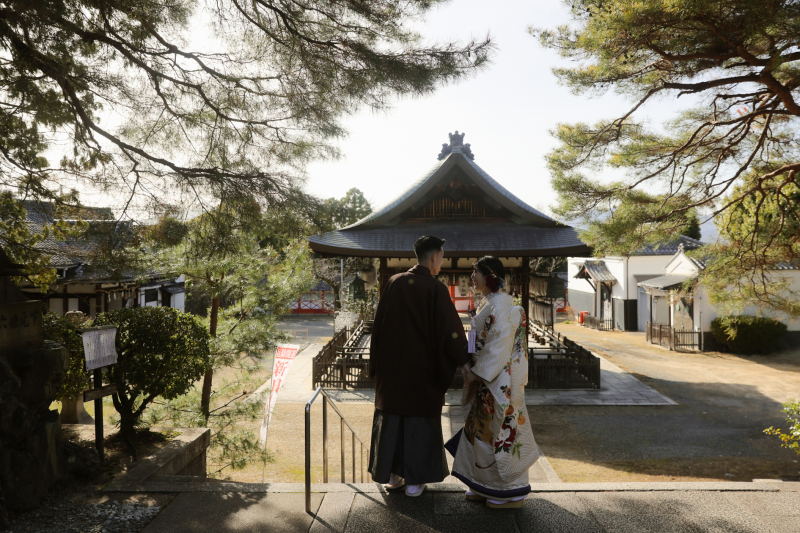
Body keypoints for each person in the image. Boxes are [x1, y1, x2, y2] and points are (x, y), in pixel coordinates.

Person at [368, 235, 469, 497]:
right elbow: (451, 332)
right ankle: (415, 481)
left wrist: (374, 367)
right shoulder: (434, 289)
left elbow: (377, 327)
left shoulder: (394, 282)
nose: (441, 262)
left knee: (392, 419)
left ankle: (391, 475)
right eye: (442, 256)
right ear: (434, 257)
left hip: (391, 373)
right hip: (421, 373)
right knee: (419, 422)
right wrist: (464, 359)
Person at [446, 256, 539, 509]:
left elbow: (498, 348)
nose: (471, 278)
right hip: (489, 381)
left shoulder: (502, 308)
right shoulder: (490, 305)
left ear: (488, 275)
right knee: (482, 436)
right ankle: (483, 484)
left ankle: (510, 492)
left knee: (501, 434)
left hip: (499, 382)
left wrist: (476, 372)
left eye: (474, 272)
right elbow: (481, 342)